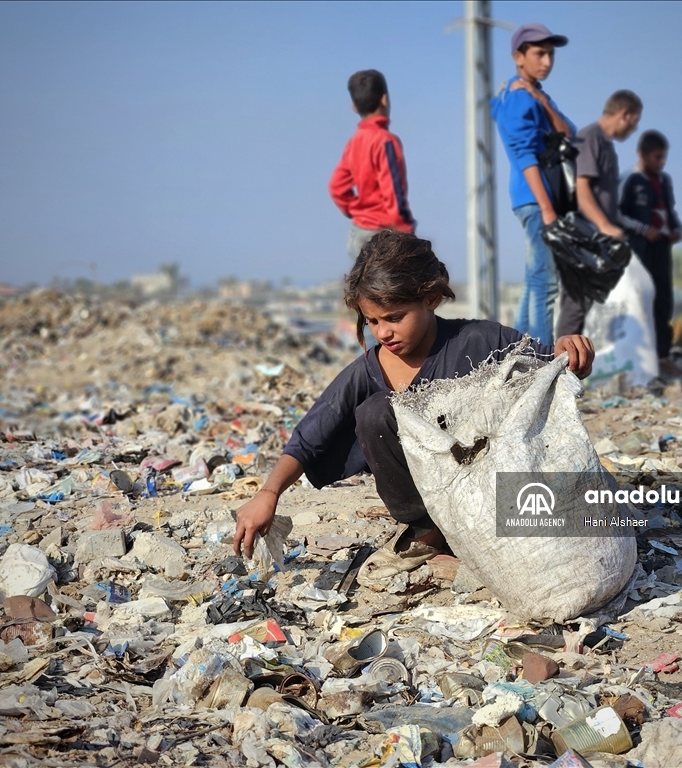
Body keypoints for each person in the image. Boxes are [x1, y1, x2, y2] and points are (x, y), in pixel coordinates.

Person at [232, 230, 595, 581]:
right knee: (375, 412)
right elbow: (310, 437)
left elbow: (550, 364)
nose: (383, 332)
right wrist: (268, 494)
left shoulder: (482, 341)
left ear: (430, 299)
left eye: (394, 318)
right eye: (372, 321)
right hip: (430, 504)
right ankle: (426, 534)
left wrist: (572, 349)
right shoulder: (367, 372)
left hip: (490, 493)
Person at [491, 23, 575, 344]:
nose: (548, 61)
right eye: (540, 53)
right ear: (518, 56)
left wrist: (541, 97)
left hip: (536, 199)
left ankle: (517, 349)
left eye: (551, 54)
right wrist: (547, 208)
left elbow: (569, 133)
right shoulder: (518, 98)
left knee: (534, 278)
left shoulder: (533, 94)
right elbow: (525, 156)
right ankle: (540, 356)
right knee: (546, 281)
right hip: (536, 198)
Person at [554, 90, 643, 337]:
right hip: (584, 236)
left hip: (596, 239)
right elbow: (582, 190)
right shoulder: (591, 137)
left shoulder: (605, 144)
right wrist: (605, 225)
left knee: (584, 305)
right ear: (624, 114)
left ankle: (574, 365)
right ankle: (562, 366)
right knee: (575, 304)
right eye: (634, 122)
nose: (633, 129)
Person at [329, 70, 416, 261]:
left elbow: (336, 187)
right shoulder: (386, 141)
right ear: (384, 99)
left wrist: (357, 210)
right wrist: (407, 233)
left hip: (357, 234)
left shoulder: (354, 142)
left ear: (354, 106)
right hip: (381, 237)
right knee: (399, 289)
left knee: (366, 289)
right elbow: (393, 192)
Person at [619, 130, 682, 364]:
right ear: (642, 155)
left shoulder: (664, 181)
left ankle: (663, 354)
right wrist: (642, 229)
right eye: (657, 157)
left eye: (663, 157)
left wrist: (677, 229)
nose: (661, 162)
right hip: (640, 250)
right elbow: (617, 214)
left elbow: (669, 211)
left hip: (662, 249)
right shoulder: (630, 179)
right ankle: (638, 355)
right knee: (640, 299)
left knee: (663, 299)